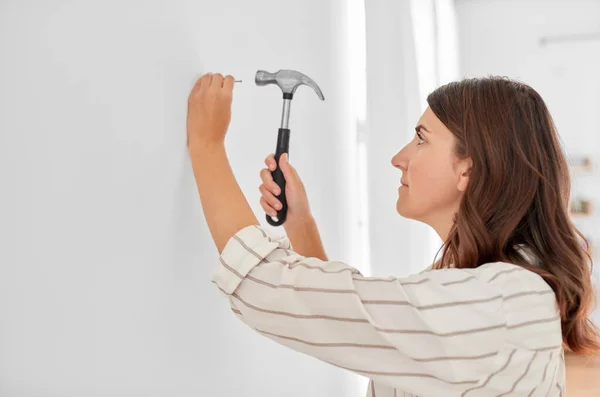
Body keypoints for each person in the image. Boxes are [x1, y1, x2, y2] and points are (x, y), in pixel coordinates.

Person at [188, 73, 600, 397]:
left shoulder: (497, 301)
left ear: (467, 169)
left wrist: (207, 147)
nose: (398, 158)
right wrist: (302, 224)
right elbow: (361, 332)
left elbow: (265, 287)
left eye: (421, 139)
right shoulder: (487, 287)